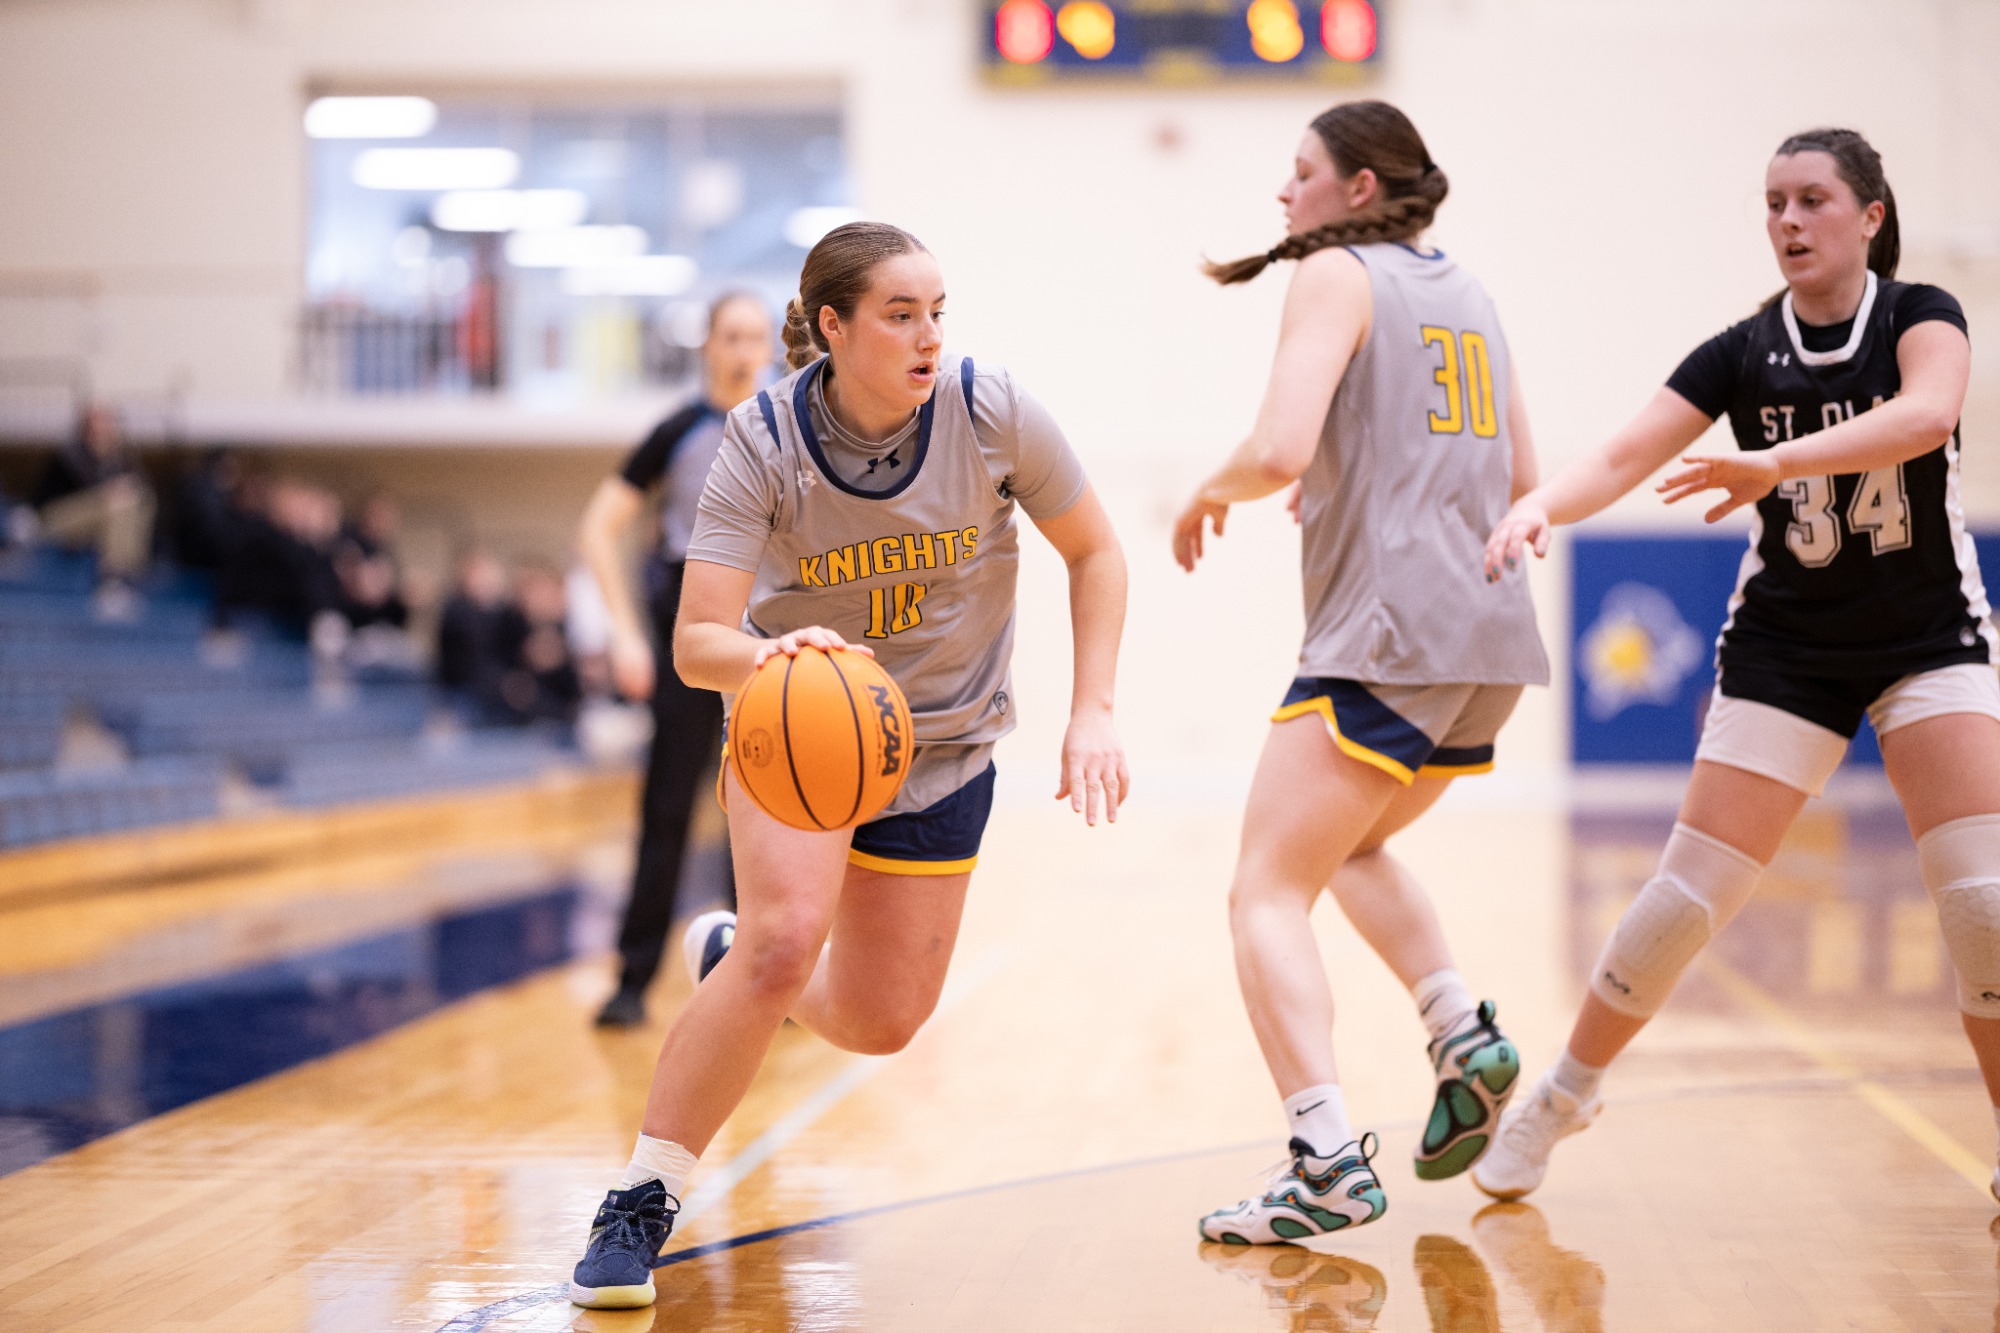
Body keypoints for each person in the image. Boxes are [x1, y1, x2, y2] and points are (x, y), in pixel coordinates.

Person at [566, 222, 1130, 1309]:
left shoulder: (990, 410)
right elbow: (697, 640)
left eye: (936, 312)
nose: (927, 337)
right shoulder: (761, 439)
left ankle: (725, 952)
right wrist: (770, 654)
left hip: (944, 743)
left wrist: (1093, 706)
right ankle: (643, 1194)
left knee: (883, 1021)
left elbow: (1097, 550)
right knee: (784, 943)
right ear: (831, 326)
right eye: (899, 314)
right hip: (800, 721)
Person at [1473, 128, 2000, 1203]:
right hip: (1786, 649)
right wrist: (1538, 505)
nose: (1787, 222)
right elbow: (1624, 453)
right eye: (1771, 203)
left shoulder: (1917, 317)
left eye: (1811, 200)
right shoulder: (1739, 350)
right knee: (1679, 898)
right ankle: (1564, 1094)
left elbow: (1925, 414)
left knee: (1982, 907)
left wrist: (1775, 459)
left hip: (1924, 639)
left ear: (1868, 217)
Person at [1171, 100, 1549, 1244]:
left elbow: (1278, 443)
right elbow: (1521, 473)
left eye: (1300, 173)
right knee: (1349, 848)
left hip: (1386, 632)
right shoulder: (1467, 291)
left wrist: (1207, 487)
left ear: (1360, 188)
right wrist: (1357, 467)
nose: (1282, 196)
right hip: (1486, 639)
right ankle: (1458, 1031)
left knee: (1261, 890)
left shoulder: (1336, 275)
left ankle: (1323, 1158)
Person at [577, 293, 774, 1027]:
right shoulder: (679, 430)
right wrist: (627, 633)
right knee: (666, 811)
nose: (745, 348)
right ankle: (632, 980)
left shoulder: (790, 428)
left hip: (766, 648)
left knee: (759, 819)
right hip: (690, 648)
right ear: (709, 347)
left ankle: (761, 977)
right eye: (732, 335)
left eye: (756, 335)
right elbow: (597, 529)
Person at [35, 403, 156, 619]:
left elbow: (140, 489)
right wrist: (115, 487)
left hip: (101, 524)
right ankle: (113, 578)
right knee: (116, 499)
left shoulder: (122, 456)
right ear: (86, 427)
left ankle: (124, 574)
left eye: (108, 423)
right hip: (56, 519)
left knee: (138, 500)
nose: (105, 429)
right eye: (98, 424)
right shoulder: (70, 454)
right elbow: (87, 487)